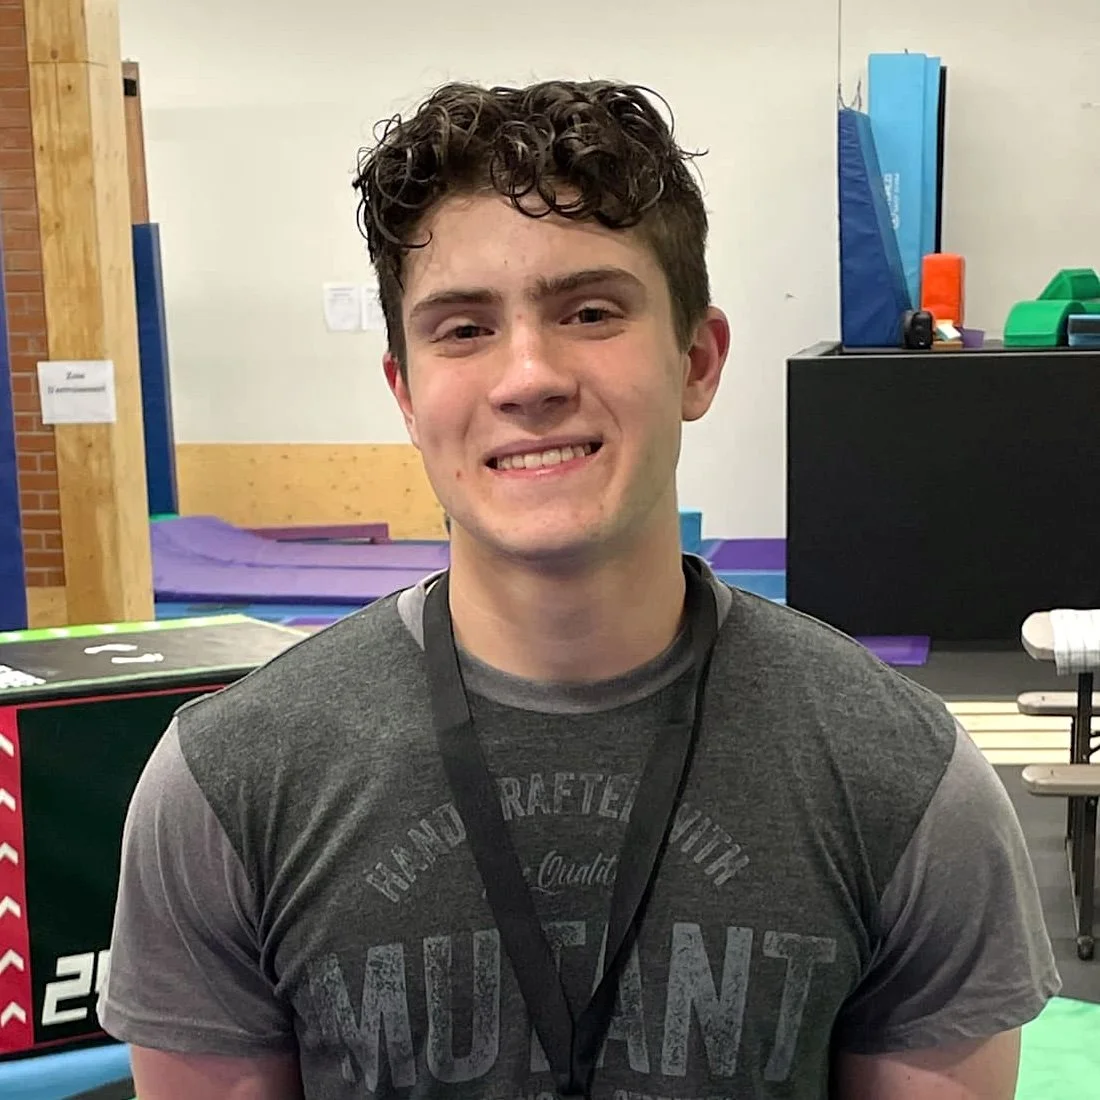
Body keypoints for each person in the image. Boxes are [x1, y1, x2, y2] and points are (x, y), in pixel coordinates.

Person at [98, 79, 1060, 1099]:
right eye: (463, 329)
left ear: (695, 359)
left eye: (588, 310)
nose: (527, 376)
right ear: (405, 393)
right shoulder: (231, 783)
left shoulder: (899, 776)